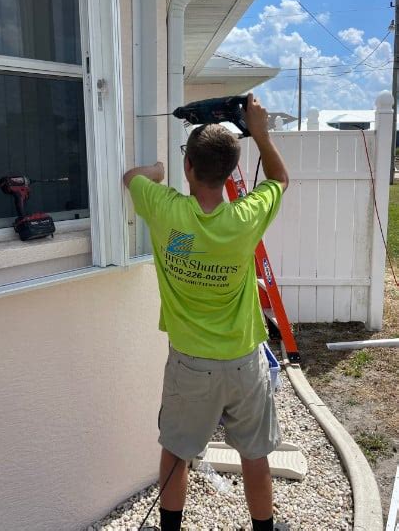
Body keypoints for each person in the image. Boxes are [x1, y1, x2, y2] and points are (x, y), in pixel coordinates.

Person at [123, 94, 289, 531]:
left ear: (188, 169)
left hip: (190, 364)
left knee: (177, 452)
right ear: (231, 172)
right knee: (255, 454)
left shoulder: (164, 209)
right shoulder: (246, 216)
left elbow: (131, 177)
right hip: (243, 362)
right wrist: (262, 134)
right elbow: (279, 179)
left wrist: (156, 172)